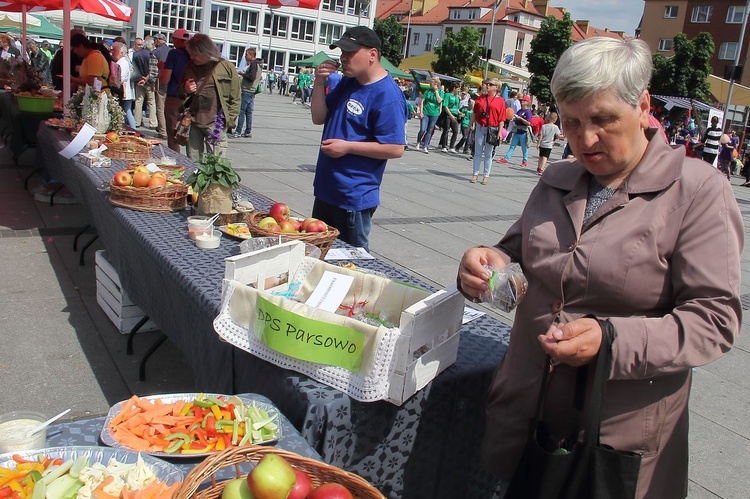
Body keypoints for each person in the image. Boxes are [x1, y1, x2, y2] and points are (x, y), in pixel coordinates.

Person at [457, 37, 742, 499]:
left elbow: (715, 321)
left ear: (643, 105)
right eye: (571, 122)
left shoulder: (698, 192)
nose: (585, 139)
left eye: (603, 120)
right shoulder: (556, 180)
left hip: (612, 434)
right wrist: (485, 265)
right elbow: (517, 257)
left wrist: (609, 339)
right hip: (526, 413)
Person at [310, 26, 406, 251]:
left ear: (372, 54)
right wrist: (318, 83)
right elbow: (318, 117)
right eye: (342, 52)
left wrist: (348, 147)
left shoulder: (388, 95)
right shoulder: (347, 82)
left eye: (349, 52)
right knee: (318, 255)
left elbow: (395, 148)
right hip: (327, 188)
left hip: (353, 196)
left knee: (352, 263)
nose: (343, 58)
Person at [180, 33, 240, 160]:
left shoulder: (226, 67)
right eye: (190, 54)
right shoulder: (190, 66)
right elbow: (180, 90)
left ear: (205, 51)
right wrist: (185, 88)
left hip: (215, 124)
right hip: (194, 122)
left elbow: (235, 98)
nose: (192, 57)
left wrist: (228, 122)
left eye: (195, 54)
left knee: (216, 165)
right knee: (193, 163)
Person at [468, 79, 506, 185]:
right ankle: (475, 173)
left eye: (490, 84)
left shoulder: (500, 101)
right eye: (487, 84)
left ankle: (486, 175)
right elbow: (475, 113)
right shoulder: (481, 98)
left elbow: (502, 118)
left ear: (496, 88)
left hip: (492, 129)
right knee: (477, 151)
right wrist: (469, 126)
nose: (487, 85)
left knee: (488, 154)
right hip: (480, 126)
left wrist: (499, 132)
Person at [160, 29, 191, 151]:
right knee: (189, 132)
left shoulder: (174, 53)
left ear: (176, 40)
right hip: (192, 98)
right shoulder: (194, 55)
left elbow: (165, 79)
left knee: (173, 132)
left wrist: (162, 68)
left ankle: (175, 160)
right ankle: (192, 161)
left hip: (175, 97)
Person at [234, 47, 262, 139]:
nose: (245, 56)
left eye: (246, 54)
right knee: (248, 112)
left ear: (251, 55)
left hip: (247, 90)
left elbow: (251, 77)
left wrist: (242, 74)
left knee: (241, 112)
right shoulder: (258, 65)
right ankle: (248, 131)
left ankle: (238, 131)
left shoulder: (253, 64)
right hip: (252, 91)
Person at [498, 95, 532, 167]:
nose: (522, 101)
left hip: (524, 131)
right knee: (512, 146)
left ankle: (525, 161)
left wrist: (521, 119)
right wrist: (512, 119)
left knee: (524, 147)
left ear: (527, 102)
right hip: (517, 130)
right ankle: (506, 158)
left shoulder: (528, 112)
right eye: (522, 100)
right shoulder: (520, 110)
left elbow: (529, 123)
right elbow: (515, 118)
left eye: (524, 101)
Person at [110, 42, 136, 129]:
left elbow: (122, 78)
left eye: (115, 50)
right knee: (127, 111)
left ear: (121, 53)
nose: (112, 52)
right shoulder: (120, 62)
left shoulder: (123, 63)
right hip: (124, 91)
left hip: (123, 91)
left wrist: (113, 80)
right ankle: (133, 129)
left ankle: (133, 129)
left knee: (127, 111)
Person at [133, 36, 156, 129]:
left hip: (139, 80)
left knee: (138, 101)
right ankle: (153, 123)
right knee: (152, 102)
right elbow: (153, 70)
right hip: (149, 81)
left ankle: (137, 122)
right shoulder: (151, 54)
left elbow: (134, 68)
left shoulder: (136, 54)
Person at [415, 76, 443, 153]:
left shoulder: (441, 92)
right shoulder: (427, 91)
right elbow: (422, 101)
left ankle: (425, 146)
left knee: (430, 130)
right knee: (423, 129)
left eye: (432, 82)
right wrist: (421, 112)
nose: (430, 83)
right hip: (426, 112)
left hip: (434, 113)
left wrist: (436, 91)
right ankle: (418, 142)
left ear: (436, 83)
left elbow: (439, 100)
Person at [152, 33, 171, 139]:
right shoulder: (172, 51)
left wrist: (152, 83)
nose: (154, 43)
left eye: (154, 40)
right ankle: (170, 129)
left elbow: (153, 71)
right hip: (172, 82)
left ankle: (163, 132)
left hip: (160, 82)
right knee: (170, 107)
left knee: (160, 107)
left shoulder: (155, 52)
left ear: (158, 40)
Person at [438, 82, 461, 153]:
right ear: (454, 88)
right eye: (458, 89)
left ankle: (451, 147)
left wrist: (460, 113)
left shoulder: (457, 97)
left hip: (455, 115)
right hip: (448, 115)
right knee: (446, 130)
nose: (459, 90)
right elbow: (445, 106)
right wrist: (451, 115)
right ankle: (444, 146)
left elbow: (457, 107)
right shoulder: (447, 95)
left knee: (455, 131)